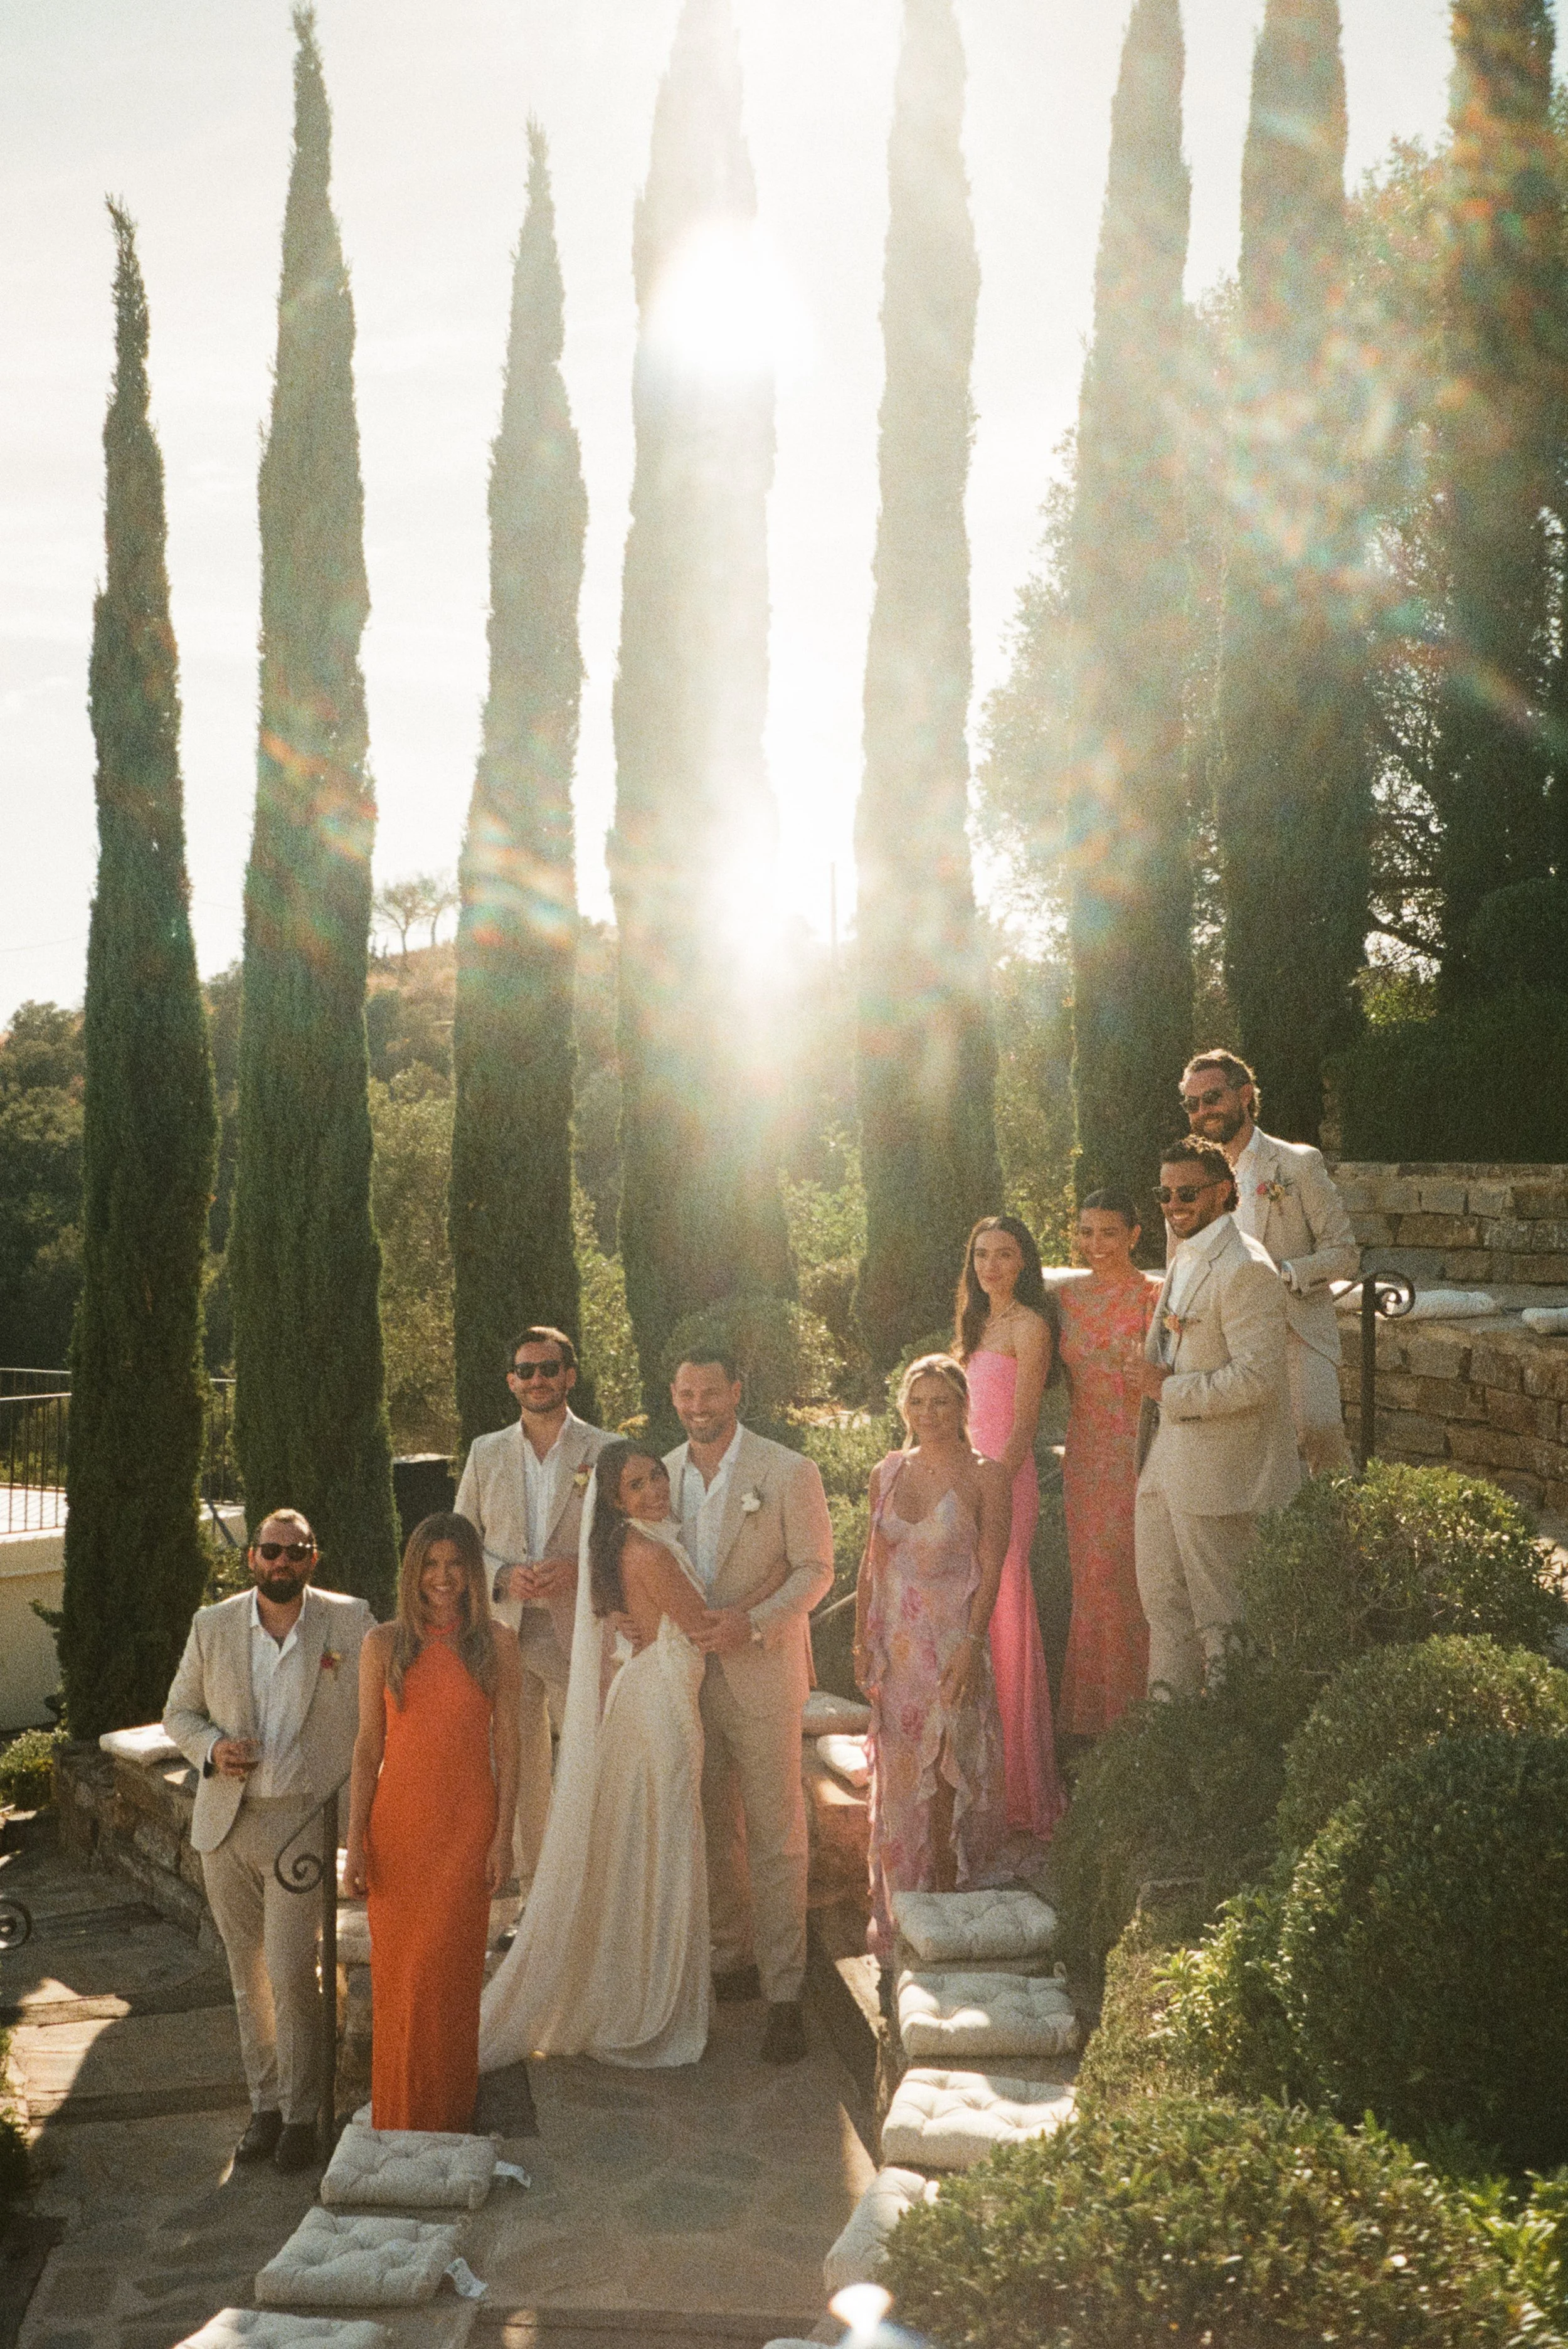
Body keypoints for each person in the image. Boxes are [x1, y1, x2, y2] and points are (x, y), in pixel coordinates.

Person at [478, 1441, 714, 2069]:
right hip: (660, 1704)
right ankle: (648, 2006)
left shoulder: (622, 1548)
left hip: (647, 1696)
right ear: (616, 1500)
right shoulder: (649, 1551)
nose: (655, 1488)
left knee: (643, 1845)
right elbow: (703, 1625)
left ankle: (629, 1992)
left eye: (657, 1475)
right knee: (662, 1845)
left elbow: (622, 1617)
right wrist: (774, 1591)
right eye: (637, 1484)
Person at [164, 1508, 373, 2173]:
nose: (282, 1562)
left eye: (296, 1551)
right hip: (227, 1822)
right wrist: (212, 1749)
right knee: (245, 1975)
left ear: (314, 1558)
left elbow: (385, 1707)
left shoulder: (349, 1621)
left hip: (304, 1820)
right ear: (252, 1556)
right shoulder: (213, 1625)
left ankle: (304, 2115)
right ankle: (266, 2109)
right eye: (271, 1550)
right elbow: (178, 1712)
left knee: (289, 1971)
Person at [665, 1351, 835, 2065]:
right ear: (673, 1396)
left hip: (763, 1675)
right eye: (685, 1392)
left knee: (776, 1834)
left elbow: (817, 1570)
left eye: (710, 1391)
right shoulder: (662, 1475)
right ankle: (729, 1957)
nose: (698, 1404)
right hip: (687, 1681)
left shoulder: (787, 1470)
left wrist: (756, 1622)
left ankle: (785, 1991)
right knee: (709, 1831)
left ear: (737, 1390)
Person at [343, 1514, 520, 2132]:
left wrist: (503, 1839)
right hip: (398, 1831)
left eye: (454, 1564)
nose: (442, 1578)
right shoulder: (381, 1645)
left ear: (472, 1572)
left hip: (467, 1828)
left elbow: (511, 1748)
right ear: (412, 1571)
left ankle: (447, 2118)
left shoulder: (497, 1643)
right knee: (402, 1979)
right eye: (430, 1564)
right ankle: (399, 2118)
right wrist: (354, 1846)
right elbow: (368, 1748)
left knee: (447, 1978)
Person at [853, 1355, 1009, 1956]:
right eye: (918, 1402)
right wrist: (861, 1642)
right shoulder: (887, 1471)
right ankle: (901, 1925)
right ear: (904, 1409)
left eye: (941, 1401)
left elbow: (992, 1571)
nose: (929, 1414)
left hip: (952, 1650)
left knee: (946, 1787)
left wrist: (972, 1646)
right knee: (898, 1788)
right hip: (896, 1656)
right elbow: (873, 1560)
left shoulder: (985, 1476)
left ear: (964, 1405)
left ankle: (949, 1920)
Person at [1135, 1138, 1300, 1697]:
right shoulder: (1184, 1253)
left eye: (1187, 1192)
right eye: (1165, 1193)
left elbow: (1259, 1379)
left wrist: (1170, 1390)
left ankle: (1228, 1749)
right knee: (1163, 1608)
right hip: (1164, 1463)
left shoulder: (1246, 1267)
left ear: (1224, 1190)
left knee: (1224, 1626)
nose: (1174, 1203)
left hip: (1220, 1474)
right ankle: (1169, 1743)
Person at [454, 1327, 610, 1890]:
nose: (537, 1379)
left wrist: (577, 1569)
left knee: (590, 1761)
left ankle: (587, 1889)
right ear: (511, 1380)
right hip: (506, 1631)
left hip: (580, 1632)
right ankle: (533, 1894)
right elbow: (462, 1535)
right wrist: (499, 1574)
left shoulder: (606, 1450)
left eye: (549, 1368)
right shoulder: (485, 1451)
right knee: (517, 1770)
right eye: (526, 1370)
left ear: (570, 1375)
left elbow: (626, 1541)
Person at [1180, 1051, 1359, 1474]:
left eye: (1212, 1097)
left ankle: (1343, 1532)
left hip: (1295, 1326)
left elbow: (1346, 1253)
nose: (1203, 1111)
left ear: (1244, 1096)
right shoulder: (1187, 1178)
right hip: (1224, 1338)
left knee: (1319, 1431)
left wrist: (1286, 1274)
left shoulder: (1297, 1163)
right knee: (1244, 1457)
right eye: (1192, 1103)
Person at [952, 1215, 1064, 1838]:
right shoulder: (973, 1323)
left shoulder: (1030, 1324)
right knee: (967, 1613)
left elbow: (1023, 1425)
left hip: (1004, 1484)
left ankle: (1020, 1788)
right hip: (965, 1481)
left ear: (1023, 1262)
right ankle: (973, 1770)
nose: (990, 1265)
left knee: (1006, 1610)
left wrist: (991, 1488)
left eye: (1003, 1254)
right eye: (981, 1254)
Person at [1057, 1189, 1162, 1737]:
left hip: (1136, 1455)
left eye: (1109, 1233)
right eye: (1086, 1231)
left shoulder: (1153, 1295)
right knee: (1091, 1583)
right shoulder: (1066, 1300)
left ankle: (1136, 1726)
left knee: (1127, 1583)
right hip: (1084, 1457)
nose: (1095, 1244)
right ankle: (1092, 1727)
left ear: (1135, 1235)